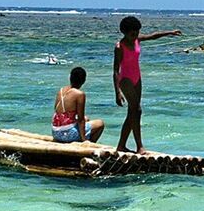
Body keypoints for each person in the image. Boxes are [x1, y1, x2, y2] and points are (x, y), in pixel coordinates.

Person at [113, 16, 181, 154]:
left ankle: (121, 145)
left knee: (132, 112)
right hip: (125, 80)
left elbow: (153, 36)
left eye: (137, 32)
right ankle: (139, 146)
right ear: (124, 32)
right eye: (132, 33)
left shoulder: (137, 39)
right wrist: (117, 92)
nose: (135, 35)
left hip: (137, 78)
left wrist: (170, 32)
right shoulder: (120, 47)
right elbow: (115, 70)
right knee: (137, 110)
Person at [52, 66, 104, 143]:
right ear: (83, 80)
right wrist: (84, 140)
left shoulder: (61, 90)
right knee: (100, 123)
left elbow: (58, 112)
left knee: (87, 119)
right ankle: (89, 144)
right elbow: (80, 119)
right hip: (67, 134)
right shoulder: (79, 94)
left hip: (56, 133)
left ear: (70, 78)